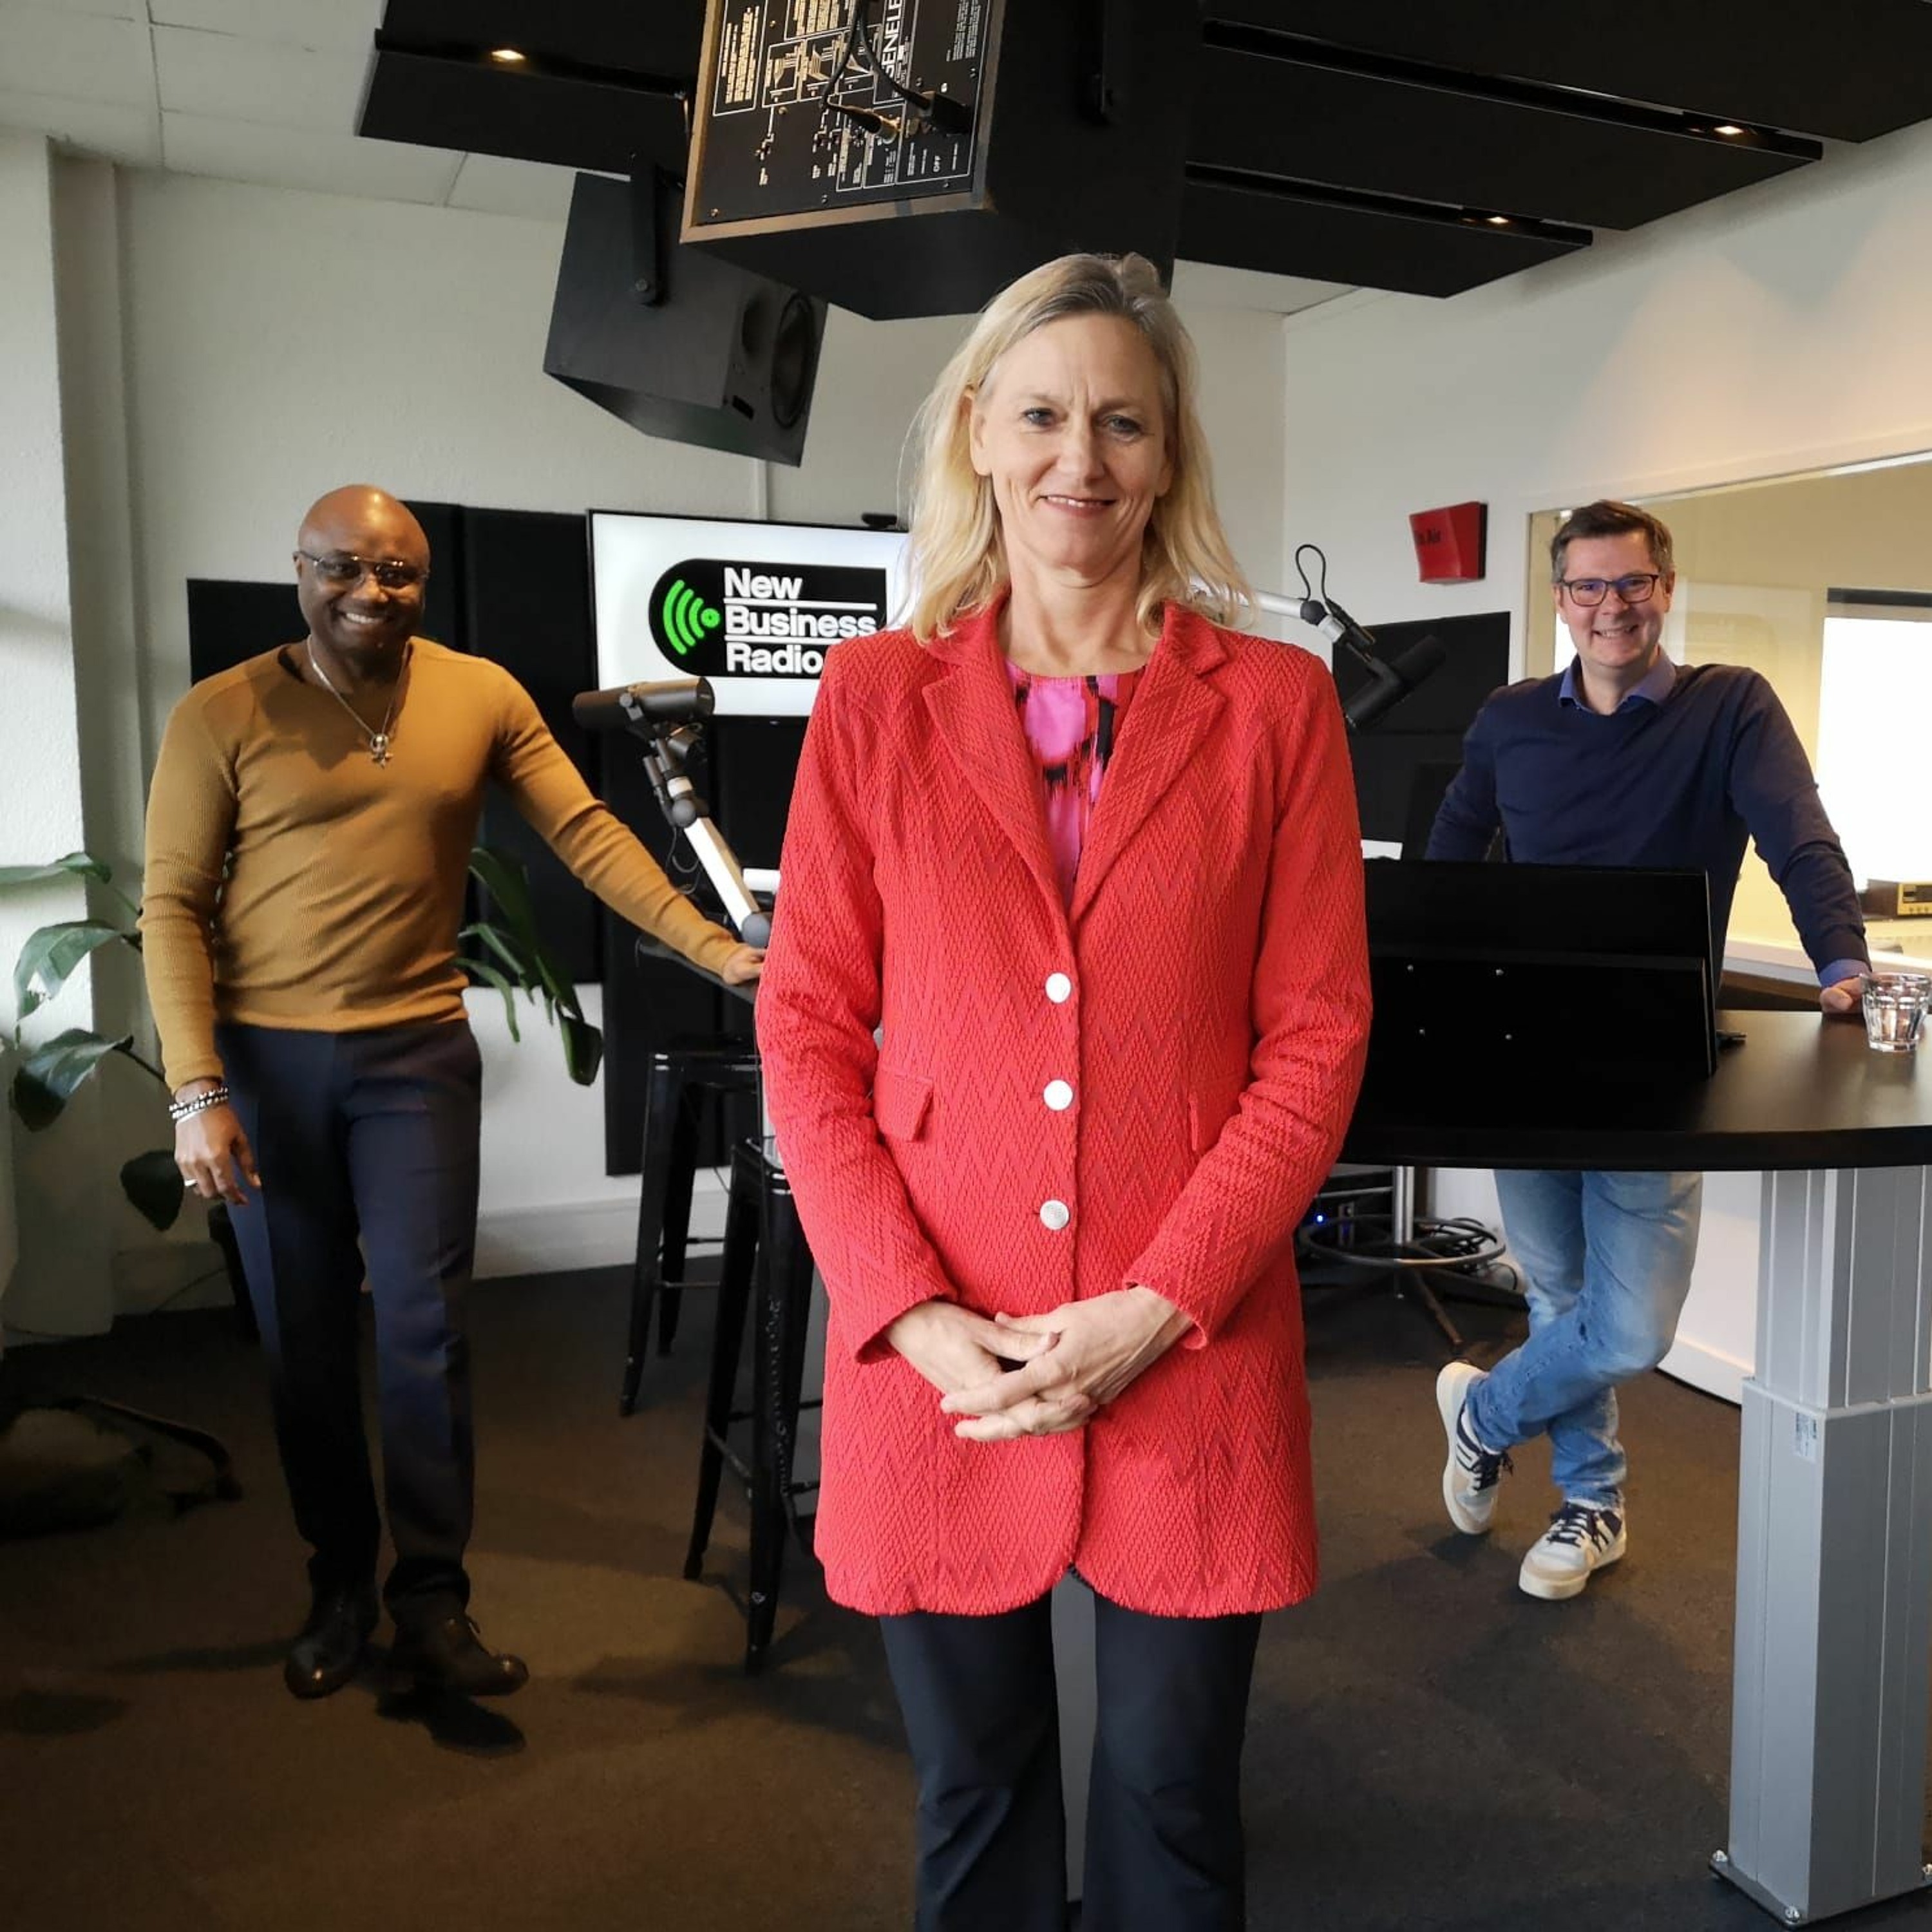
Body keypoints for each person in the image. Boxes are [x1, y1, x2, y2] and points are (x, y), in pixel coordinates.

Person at [755, 254, 1371, 1930]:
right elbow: (808, 1030)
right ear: (978, 433)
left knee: (1174, 1798)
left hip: (1192, 1339)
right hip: (939, 1354)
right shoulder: (875, 701)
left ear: (1169, 454)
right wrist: (906, 1312)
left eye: (1121, 422)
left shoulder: (1277, 709)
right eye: (1039, 416)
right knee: (974, 1794)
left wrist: (1160, 1303)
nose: (1076, 458)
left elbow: (1317, 1039)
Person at [141, 486, 762, 1702]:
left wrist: (713, 947)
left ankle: (431, 1600)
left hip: (416, 1058)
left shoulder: (480, 694)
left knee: (428, 1336)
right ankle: (338, 1583)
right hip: (268, 1069)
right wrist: (194, 1088)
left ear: (423, 583)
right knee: (306, 1342)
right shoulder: (221, 711)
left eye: (398, 573)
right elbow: (172, 904)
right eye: (342, 568)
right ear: (299, 570)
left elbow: (585, 832)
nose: (369, 592)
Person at [1426, 497, 1867, 1601]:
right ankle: (1593, 1505)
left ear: (1665, 588)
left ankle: (1481, 1414)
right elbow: (1451, 853)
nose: (1612, 606)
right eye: (1589, 586)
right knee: (1559, 1299)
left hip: (1655, 1071)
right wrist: (1415, 973)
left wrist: (1841, 960)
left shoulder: (1729, 708)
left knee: (1626, 1329)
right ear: (1561, 599)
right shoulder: (1510, 719)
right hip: (1521, 1060)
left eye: (1632, 583)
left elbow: (1799, 837)